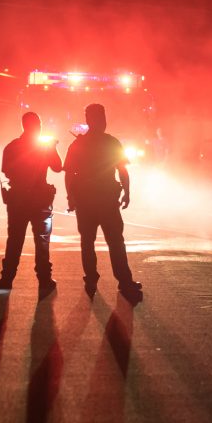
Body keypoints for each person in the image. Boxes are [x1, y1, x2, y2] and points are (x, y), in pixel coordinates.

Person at [64, 103, 143, 304]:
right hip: (107, 201)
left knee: (88, 241)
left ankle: (91, 280)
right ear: (98, 119)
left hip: (85, 201)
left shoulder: (78, 144)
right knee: (116, 242)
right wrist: (127, 192)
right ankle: (125, 282)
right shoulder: (112, 142)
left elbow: (69, 174)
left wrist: (71, 197)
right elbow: (122, 170)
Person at [0, 112, 61, 295]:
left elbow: (6, 171)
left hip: (17, 198)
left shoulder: (12, 147)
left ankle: (7, 278)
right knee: (42, 240)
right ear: (38, 126)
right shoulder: (44, 147)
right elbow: (58, 167)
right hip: (40, 199)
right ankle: (44, 279)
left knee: (15, 240)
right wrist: (53, 147)